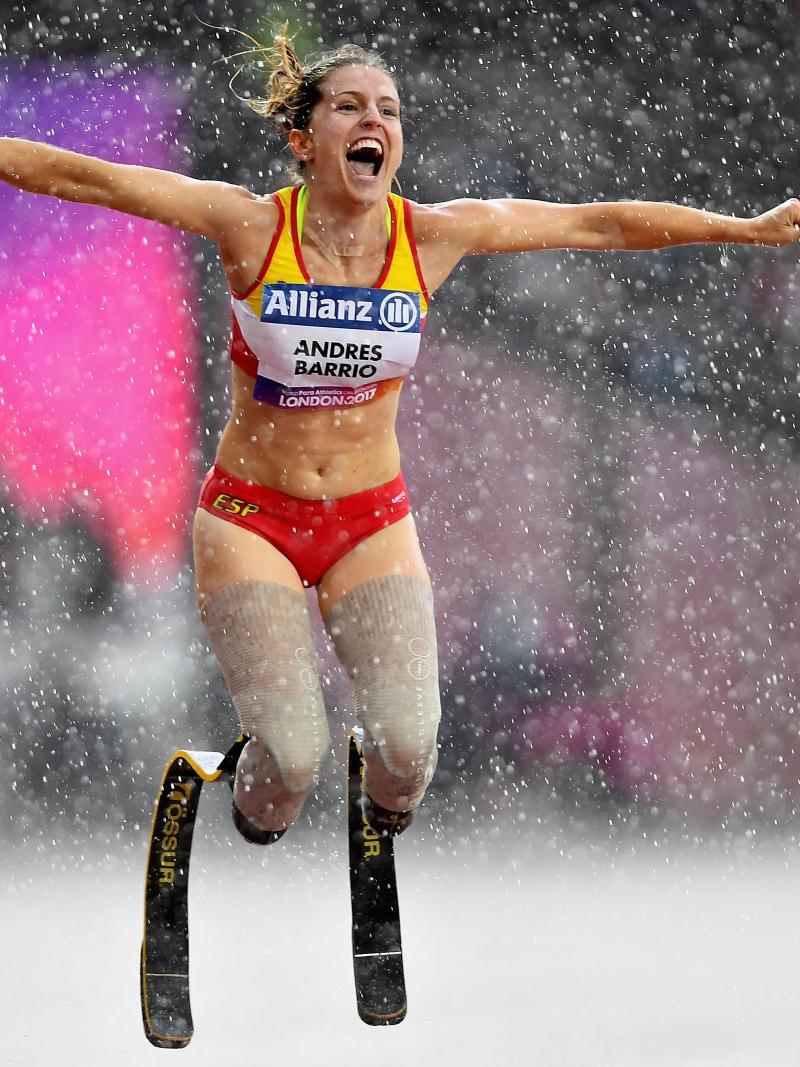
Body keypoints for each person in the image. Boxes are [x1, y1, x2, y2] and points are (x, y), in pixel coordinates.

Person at [2, 30, 798, 845]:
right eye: (349, 106)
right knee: (291, 761)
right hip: (251, 520)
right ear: (303, 141)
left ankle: (378, 804)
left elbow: (597, 227)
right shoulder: (248, 226)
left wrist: (739, 229)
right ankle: (256, 792)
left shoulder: (431, 235)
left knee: (411, 753)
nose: (373, 119)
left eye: (389, 109)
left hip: (369, 522)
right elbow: (86, 176)